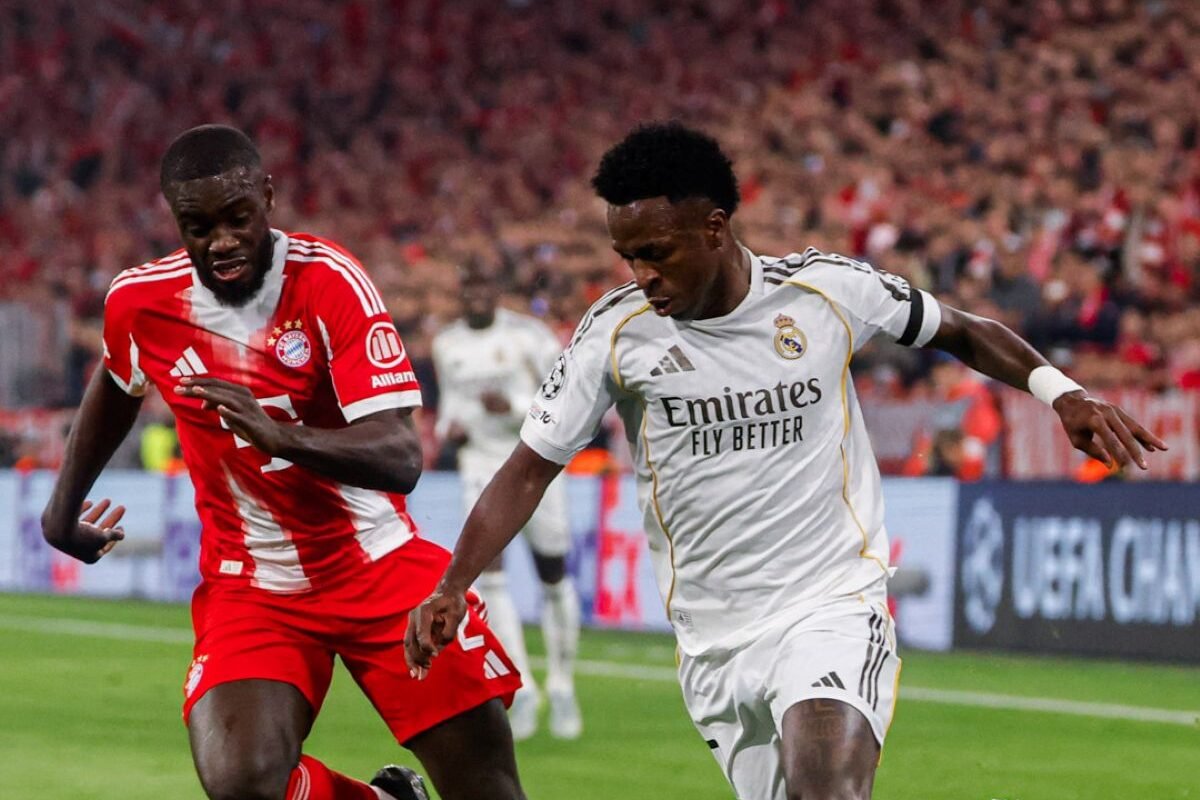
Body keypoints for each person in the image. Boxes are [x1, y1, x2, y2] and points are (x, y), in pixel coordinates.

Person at [404, 122, 1167, 800]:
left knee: (827, 789)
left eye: (656, 254)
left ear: (714, 228)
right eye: (628, 257)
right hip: (713, 640)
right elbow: (529, 466)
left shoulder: (825, 292)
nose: (642, 276)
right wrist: (455, 582)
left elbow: (959, 329)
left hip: (830, 603)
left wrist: (1061, 392)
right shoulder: (616, 335)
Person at [41, 124, 527, 800]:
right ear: (175, 222)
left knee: (488, 789)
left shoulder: (329, 282)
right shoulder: (140, 301)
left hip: (378, 564)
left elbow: (399, 453)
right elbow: (119, 379)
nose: (222, 241)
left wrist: (282, 437)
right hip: (252, 586)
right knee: (242, 784)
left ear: (268, 197)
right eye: (198, 226)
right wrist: (60, 513)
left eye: (238, 218)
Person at [432, 268, 582, 740]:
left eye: (483, 288)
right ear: (462, 294)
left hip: (532, 463)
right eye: (468, 289)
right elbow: (448, 408)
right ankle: (525, 690)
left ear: (496, 293)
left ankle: (562, 684)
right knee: (490, 577)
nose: (475, 296)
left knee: (552, 574)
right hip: (479, 463)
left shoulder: (529, 337)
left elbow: (566, 395)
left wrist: (515, 406)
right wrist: (446, 431)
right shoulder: (447, 345)